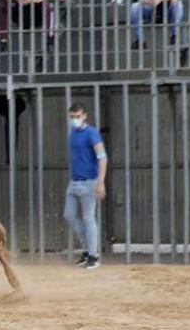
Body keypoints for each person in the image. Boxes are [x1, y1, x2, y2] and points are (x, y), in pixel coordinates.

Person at [64, 103, 107, 271]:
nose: (75, 119)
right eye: (72, 117)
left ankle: (93, 255)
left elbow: (102, 157)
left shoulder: (92, 133)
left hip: (89, 181)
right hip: (74, 182)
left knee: (89, 218)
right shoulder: (73, 133)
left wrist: (100, 181)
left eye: (78, 116)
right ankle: (87, 250)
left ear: (85, 115)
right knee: (69, 215)